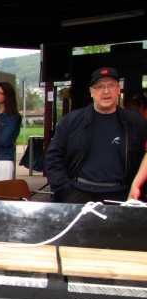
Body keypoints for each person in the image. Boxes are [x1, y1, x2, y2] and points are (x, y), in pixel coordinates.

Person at [45, 67, 147, 203]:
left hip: (121, 195)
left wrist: (137, 189)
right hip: (78, 194)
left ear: (118, 90)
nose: (106, 91)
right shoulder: (71, 121)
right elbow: (53, 157)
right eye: (99, 87)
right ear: (91, 92)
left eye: (111, 85)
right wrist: (65, 190)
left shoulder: (135, 122)